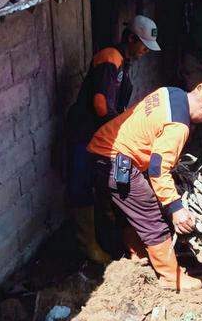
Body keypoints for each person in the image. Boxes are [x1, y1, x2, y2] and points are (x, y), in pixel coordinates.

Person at [87, 82, 202, 290]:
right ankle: (170, 277)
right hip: (117, 161)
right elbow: (158, 169)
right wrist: (175, 208)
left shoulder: (170, 92)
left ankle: (138, 253)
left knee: (128, 209)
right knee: (152, 214)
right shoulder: (178, 127)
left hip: (101, 149)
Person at [65, 16, 161, 264]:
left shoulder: (123, 63)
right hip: (85, 132)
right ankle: (88, 245)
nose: (144, 53)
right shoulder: (110, 58)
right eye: (142, 46)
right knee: (81, 183)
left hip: (104, 133)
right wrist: (121, 127)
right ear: (131, 38)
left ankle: (117, 232)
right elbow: (100, 104)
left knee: (111, 181)